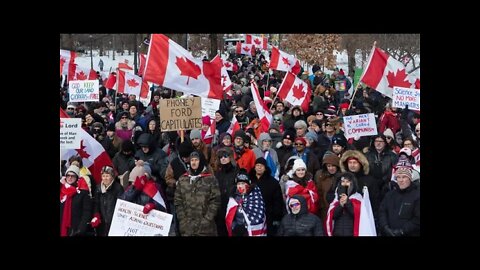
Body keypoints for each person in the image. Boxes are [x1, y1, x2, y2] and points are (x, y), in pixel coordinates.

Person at [174, 151, 221, 236]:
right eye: (192, 160)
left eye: (196, 160)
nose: (194, 162)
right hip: (187, 228)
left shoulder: (210, 179)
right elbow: (178, 201)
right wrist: (183, 220)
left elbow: (215, 201)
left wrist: (207, 219)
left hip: (206, 228)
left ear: (201, 161)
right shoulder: (183, 179)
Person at [325, 172, 376, 236]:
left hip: (352, 233)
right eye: (343, 181)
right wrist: (340, 205)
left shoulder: (357, 198)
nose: (345, 184)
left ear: (352, 183)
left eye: (347, 182)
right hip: (338, 232)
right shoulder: (336, 199)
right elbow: (333, 216)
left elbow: (358, 214)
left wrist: (348, 202)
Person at [379, 167, 420, 236]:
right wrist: (385, 227)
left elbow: (417, 219)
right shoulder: (389, 195)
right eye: (398, 177)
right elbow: (382, 212)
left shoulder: (417, 195)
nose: (401, 180)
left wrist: (402, 231)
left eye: (404, 177)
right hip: (389, 233)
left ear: (410, 179)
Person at [225, 170, 267, 236]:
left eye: (243, 183)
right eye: (238, 184)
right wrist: (234, 226)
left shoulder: (255, 196)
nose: (240, 186)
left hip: (251, 231)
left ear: (248, 184)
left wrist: (247, 227)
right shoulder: (233, 198)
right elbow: (229, 217)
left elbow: (259, 215)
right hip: (237, 231)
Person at [91, 166, 124, 236]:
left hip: (114, 222)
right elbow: (96, 203)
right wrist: (96, 215)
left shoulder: (118, 188)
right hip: (102, 223)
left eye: (107, 176)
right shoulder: (98, 188)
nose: (105, 178)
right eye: (103, 176)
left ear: (112, 177)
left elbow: (121, 205)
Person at [60, 165, 92, 236]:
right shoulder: (61, 191)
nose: (70, 177)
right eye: (68, 175)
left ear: (77, 178)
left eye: (73, 176)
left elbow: (86, 212)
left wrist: (81, 229)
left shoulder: (83, 193)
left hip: (75, 230)